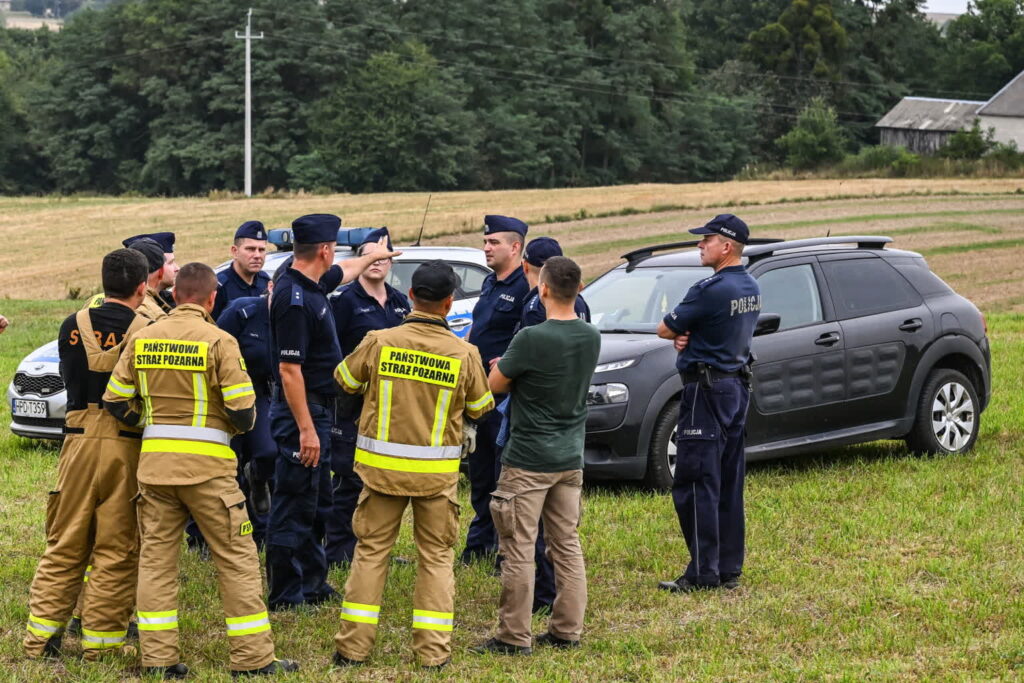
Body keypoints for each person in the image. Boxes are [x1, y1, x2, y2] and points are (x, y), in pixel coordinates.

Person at [103, 262, 298, 677]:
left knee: (156, 561)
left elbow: (116, 402)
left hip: (155, 470)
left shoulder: (142, 338)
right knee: (237, 560)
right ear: (212, 299)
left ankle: (158, 660)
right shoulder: (220, 340)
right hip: (209, 472)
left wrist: (151, 425)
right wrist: (224, 427)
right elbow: (245, 411)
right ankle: (253, 660)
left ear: (175, 296)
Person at [332, 261, 494, 669]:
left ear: (411, 296)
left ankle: (352, 651)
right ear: (448, 303)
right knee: (436, 559)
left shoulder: (379, 340)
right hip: (436, 478)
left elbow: (344, 381)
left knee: (370, 554)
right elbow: (480, 406)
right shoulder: (464, 353)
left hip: (380, 473)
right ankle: (432, 654)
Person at [23, 248, 151, 661]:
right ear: (142, 287)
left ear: (103, 282)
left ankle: (40, 641)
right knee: (116, 548)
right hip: (126, 445)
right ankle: (101, 645)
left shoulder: (70, 325)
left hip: (75, 444)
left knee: (64, 544)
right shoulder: (148, 328)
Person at [266, 214, 399, 611]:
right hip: (302, 414)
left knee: (318, 500)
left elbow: (347, 270)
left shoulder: (312, 281)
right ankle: (286, 594)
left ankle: (313, 582)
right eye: (333, 250)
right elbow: (290, 372)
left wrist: (379, 254)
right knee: (294, 502)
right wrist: (306, 430)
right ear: (324, 249)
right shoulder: (294, 299)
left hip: (321, 412)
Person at [472, 256, 599, 656]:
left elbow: (495, 384)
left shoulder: (530, 338)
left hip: (528, 458)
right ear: (578, 289)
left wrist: (506, 367)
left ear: (542, 289)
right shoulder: (591, 335)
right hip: (569, 457)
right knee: (566, 545)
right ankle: (567, 629)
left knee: (518, 549)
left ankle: (513, 636)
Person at [655, 214, 761, 593]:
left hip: (705, 390)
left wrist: (684, 335)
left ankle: (703, 572)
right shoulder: (750, 285)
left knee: (696, 480)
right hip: (736, 387)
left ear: (727, 246)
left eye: (707, 240)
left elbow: (666, 328)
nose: (700, 245)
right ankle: (729, 567)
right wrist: (693, 335)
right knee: (729, 480)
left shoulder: (709, 289)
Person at [325, 227, 409, 568]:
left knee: (383, 483)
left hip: (392, 411)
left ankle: (376, 547)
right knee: (349, 480)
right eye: (370, 253)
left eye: (383, 254)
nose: (378, 260)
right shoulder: (344, 301)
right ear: (360, 259)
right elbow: (333, 354)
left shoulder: (401, 303)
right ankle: (339, 551)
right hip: (353, 408)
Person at [462, 215, 530, 565]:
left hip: (505, 396)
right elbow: (479, 328)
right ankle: (479, 544)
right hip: (480, 394)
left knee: (505, 475)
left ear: (515, 247)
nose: (486, 248)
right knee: (481, 472)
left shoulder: (525, 286)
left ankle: (507, 551)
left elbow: (528, 338)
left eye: (494, 243)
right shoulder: (490, 283)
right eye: (485, 242)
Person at [217, 282, 276, 548]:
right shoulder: (242, 312)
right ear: (272, 287)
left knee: (267, 452)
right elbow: (216, 352)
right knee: (228, 466)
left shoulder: (295, 314)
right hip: (226, 397)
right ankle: (217, 536)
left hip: (262, 394)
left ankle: (261, 529)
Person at [212, 220, 270, 320]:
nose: (257, 255)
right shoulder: (219, 287)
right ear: (235, 251)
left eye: (261, 250)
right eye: (250, 249)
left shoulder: (265, 281)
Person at [123, 234, 178, 321]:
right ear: (160, 270)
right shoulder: (146, 310)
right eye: (170, 263)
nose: (177, 268)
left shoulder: (168, 299)